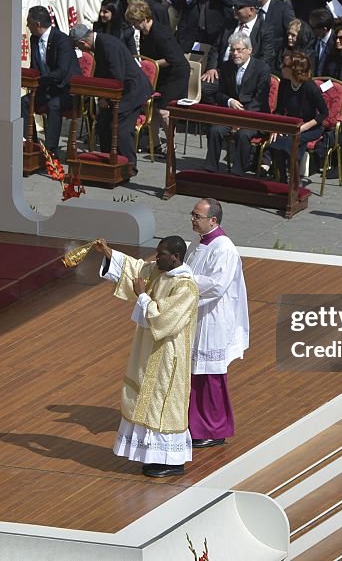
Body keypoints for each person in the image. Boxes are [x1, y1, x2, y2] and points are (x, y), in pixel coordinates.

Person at [94, 236, 198, 478]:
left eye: (161, 253)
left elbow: (165, 320)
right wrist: (109, 253)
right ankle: (152, 456)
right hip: (150, 349)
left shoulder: (186, 287)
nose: (156, 257)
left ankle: (172, 461)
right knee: (147, 401)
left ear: (176, 257)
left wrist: (142, 296)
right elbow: (136, 268)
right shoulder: (160, 271)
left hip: (168, 353)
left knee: (163, 406)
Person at [184, 198, 250, 448]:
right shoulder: (197, 243)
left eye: (197, 216)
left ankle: (215, 428)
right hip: (197, 317)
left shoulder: (224, 248)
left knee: (210, 378)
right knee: (195, 376)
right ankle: (196, 425)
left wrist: (183, 285)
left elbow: (216, 285)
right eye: (192, 214)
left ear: (213, 220)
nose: (192, 219)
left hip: (213, 319)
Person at [70, 24, 152, 176]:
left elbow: (117, 76)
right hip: (117, 92)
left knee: (120, 128)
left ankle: (129, 166)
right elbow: (101, 73)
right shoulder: (100, 43)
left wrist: (106, 99)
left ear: (83, 44)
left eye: (79, 47)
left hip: (132, 92)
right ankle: (108, 161)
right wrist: (101, 96)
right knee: (102, 123)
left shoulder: (108, 45)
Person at [125, 0, 190, 155]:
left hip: (175, 74)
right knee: (152, 108)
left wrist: (149, 65)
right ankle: (155, 143)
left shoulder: (160, 33)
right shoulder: (144, 33)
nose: (134, 25)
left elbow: (172, 58)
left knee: (163, 110)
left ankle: (171, 144)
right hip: (161, 73)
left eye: (136, 21)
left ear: (145, 18)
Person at [203, 33, 271, 175]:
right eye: (232, 50)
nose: (235, 53)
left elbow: (260, 100)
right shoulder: (227, 67)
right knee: (215, 130)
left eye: (239, 50)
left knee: (244, 134)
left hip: (253, 117)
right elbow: (219, 94)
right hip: (231, 114)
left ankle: (238, 172)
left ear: (249, 50)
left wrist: (242, 117)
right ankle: (210, 169)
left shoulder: (261, 68)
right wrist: (229, 101)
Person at [22, 5, 80, 159]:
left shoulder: (62, 40)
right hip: (47, 87)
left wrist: (38, 81)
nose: (27, 26)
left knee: (54, 105)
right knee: (23, 102)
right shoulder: (35, 38)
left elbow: (61, 72)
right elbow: (35, 66)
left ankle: (50, 150)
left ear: (37, 24)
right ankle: (32, 144)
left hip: (67, 89)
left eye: (29, 23)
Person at [269, 50, 328, 183]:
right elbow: (279, 110)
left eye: (285, 66)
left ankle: (294, 181)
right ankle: (282, 179)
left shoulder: (310, 87)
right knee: (276, 141)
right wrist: (276, 127)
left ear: (294, 70)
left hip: (310, 126)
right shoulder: (284, 84)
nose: (281, 68)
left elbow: (324, 113)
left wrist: (303, 128)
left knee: (290, 143)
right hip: (291, 124)